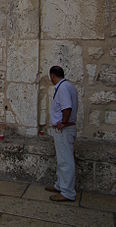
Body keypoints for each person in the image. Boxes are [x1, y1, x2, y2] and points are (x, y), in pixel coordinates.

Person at [46, 65, 78, 202]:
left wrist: (63, 123)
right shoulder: (67, 86)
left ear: (52, 75)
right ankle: (60, 185)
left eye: (50, 77)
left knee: (65, 160)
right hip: (64, 129)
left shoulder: (63, 88)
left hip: (64, 129)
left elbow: (67, 108)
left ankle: (67, 192)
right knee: (62, 159)